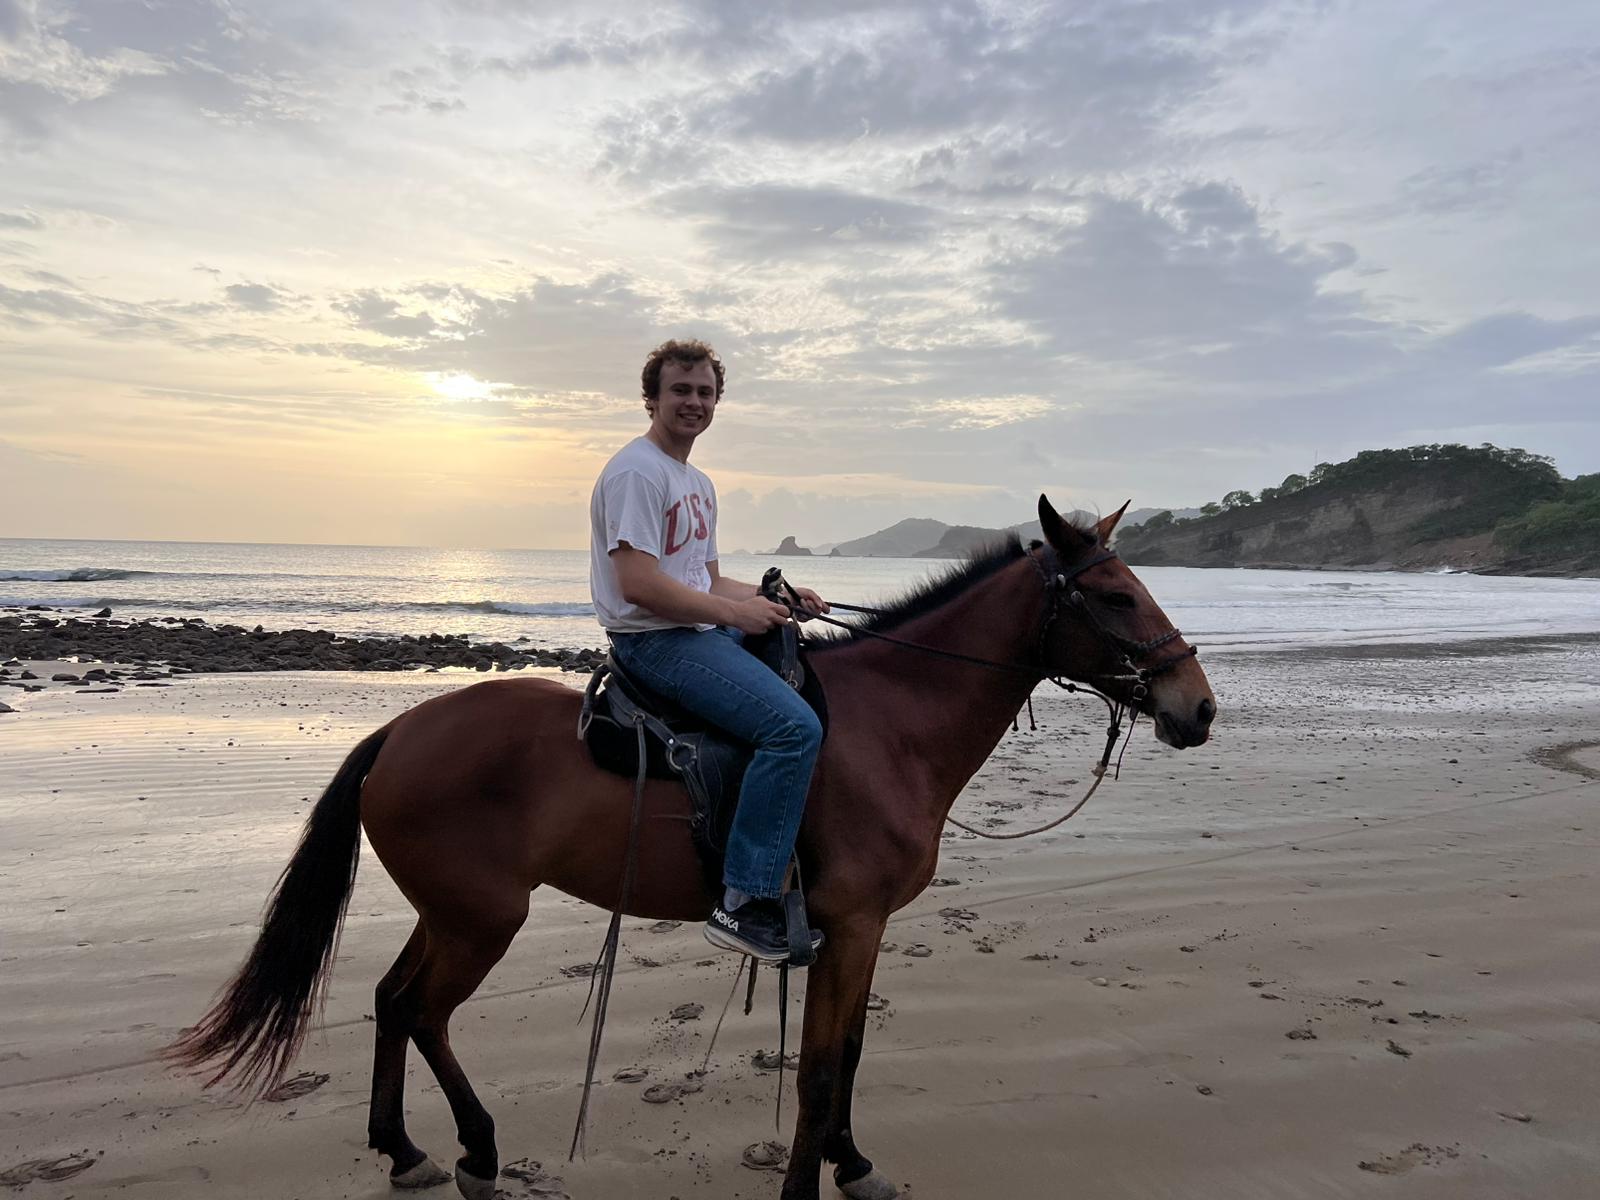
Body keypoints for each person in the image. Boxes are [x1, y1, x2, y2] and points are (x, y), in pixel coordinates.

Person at [588, 338, 828, 962]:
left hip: (693, 628)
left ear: (717, 400)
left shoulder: (696, 481)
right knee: (794, 729)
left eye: (704, 392)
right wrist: (735, 614)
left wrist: (774, 595)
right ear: (653, 397)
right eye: (680, 390)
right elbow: (638, 584)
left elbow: (707, 579)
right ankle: (745, 902)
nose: (693, 402)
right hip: (656, 642)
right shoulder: (637, 472)